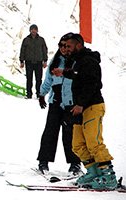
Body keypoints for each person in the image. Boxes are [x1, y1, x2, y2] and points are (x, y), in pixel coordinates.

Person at [52, 33, 117, 190]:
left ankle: (109, 177)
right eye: (63, 46)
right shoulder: (78, 62)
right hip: (80, 108)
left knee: (94, 142)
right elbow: (77, 75)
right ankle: (93, 172)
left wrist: (80, 104)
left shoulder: (88, 61)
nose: (65, 49)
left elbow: (91, 83)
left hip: (92, 106)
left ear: (78, 45)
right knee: (78, 144)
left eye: (68, 46)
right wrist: (63, 72)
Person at [36, 34, 81, 175]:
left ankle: (75, 163)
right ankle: (43, 161)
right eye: (60, 45)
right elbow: (48, 79)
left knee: (70, 134)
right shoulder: (55, 61)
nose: (63, 48)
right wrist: (42, 94)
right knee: (50, 132)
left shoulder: (76, 61)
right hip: (55, 101)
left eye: (65, 45)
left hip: (70, 103)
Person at [19, 24, 48, 99]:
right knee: (29, 79)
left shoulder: (41, 40)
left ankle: (39, 94)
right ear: (30, 30)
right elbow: (22, 51)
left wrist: (45, 60)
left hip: (39, 62)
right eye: (32, 29)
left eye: (35, 29)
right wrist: (21, 61)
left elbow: (44, 50)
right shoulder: (26, 40)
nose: (33, 31)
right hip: (29, 62)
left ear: (37, 30)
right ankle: (29, 94)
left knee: (39, 79)